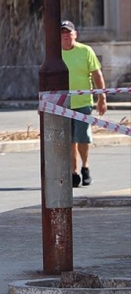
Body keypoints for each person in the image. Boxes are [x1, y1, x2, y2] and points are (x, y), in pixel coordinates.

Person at [60, 20, 107, 188]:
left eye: (69, 33)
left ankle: (85, 168)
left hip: (83, 102)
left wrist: (102, 98)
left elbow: (97, 76)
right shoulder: (55, 54)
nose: (66, 36)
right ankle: (73, 172)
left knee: (82, 137)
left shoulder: (86, 51)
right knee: (69, 140)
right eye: (62, 34)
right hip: (63, 104)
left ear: (75, 35)